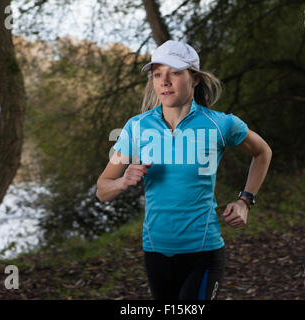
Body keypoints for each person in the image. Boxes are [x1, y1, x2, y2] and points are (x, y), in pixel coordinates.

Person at [96, 40, 272, 300]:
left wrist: (245, 200)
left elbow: (262, 152)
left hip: (203, 251)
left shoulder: (220, 125)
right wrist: (123, 181)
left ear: (195, 78)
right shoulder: (136, 127)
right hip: (155, 251)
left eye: (175, 73)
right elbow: (102, 189)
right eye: (157, 74)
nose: (164, 81)